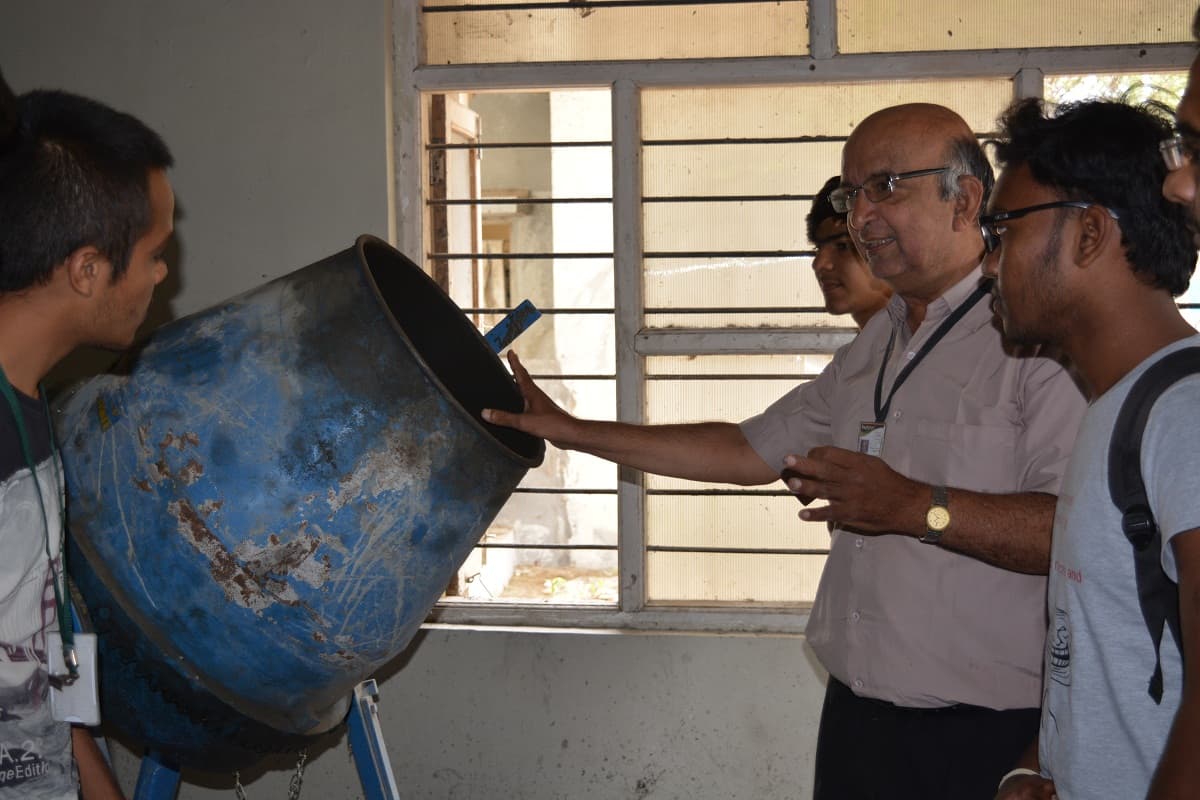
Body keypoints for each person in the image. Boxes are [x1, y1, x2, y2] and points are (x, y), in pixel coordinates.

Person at [484, 102, 1086, 799]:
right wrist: (572, 431)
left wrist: (919, 508)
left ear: (967, 200)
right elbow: (746, 449)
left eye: (887, 187)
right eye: (850, 193)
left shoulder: (1033, 338)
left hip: (987, 733)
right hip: (859, 720)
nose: (861, 217)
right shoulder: (876, 344)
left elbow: (1072, 532)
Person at [986, 98, 1199, 800]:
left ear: (1089, 234)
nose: (991, 265)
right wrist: (1037, 764)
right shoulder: (1111, 407)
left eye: (1004, 229)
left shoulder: (1183, 415)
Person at [0, 69, 174, 799]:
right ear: (87, 269)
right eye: (155, 250)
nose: (165, 273)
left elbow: (35, 658)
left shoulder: (32, 408)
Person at [808, 174, 891, 327]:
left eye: (842, 246)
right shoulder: (858, 350)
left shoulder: (940, 346)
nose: (819, 264)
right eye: (818, 248)